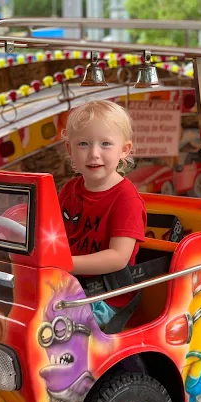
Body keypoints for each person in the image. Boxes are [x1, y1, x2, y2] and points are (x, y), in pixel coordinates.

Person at [58, 99, 147, 329]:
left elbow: (118, 257)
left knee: (50, 326)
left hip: (106, 297)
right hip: (67, 284)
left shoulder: (126, 198)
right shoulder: (69, 190)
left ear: (124, 150)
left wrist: (65, 263)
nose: (93, 154)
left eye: (106, 143)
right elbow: (52, 232)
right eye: (83, 144)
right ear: (70, 149)